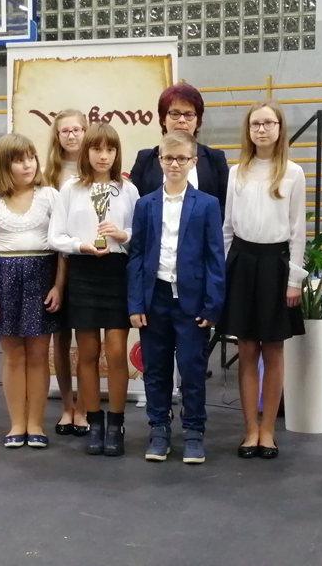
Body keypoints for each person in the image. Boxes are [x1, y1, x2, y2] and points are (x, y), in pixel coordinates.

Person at [127, 131, 225, 464]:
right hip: (154, 299)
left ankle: (194, 431)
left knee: (192, 367)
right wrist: (135, 303)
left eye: (182, 158)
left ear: (192, 162)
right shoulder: (145, 204)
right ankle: (159, 429)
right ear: (160, 160)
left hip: (192, 302)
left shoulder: (207, 204)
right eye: (169, 158)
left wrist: (212, 305)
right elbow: (137, 256)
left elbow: (215, 257)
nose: (174, 164)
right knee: (155, 368)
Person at [221, 100, 306, 460]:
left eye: (268, 123)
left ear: (279, 128)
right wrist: (225, 273)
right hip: (242, 262)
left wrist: (294, 279)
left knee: (273, 349)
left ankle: (268, 430)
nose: (262, 129)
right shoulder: (236, 171)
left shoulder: (293, 173)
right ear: (248, 130)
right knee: (246, 348)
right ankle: (250, 430)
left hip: (276, 265)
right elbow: (228, 227)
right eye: (256, 124)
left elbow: (298, 231)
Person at [48, 123, 138, 456]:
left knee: (115, 352)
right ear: (86, 152)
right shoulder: (71, 189)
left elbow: (140, 235)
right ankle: (94, 422)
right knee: (86, 352)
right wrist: (81, 246)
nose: (103, 156)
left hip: (116, 272)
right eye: (97, 149)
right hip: (83, 271)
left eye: (110, 149)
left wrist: (123, 235)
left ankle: (116, 424)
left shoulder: (127, 189)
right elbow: (55, 236)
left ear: (116, 153)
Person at [0, 133, 64, 449]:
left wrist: (58, 286)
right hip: (4, 280)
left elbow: (61, 250)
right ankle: (16, 424)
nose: (28, 165)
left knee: (38, 355)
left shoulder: (50, 197)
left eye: (30, 158)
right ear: (3, 165)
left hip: (42, 278)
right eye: (19, 160)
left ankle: (35, 423)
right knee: (13, 356)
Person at [44, 108, 89, 436]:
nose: (71, 136)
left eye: (77, 130)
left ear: (86, 132)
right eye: (65, 131)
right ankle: (67, 405)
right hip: (54, 260)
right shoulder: (48, 174)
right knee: (60, 337)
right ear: (57, 136)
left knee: (86, 339)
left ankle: (84, 407)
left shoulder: (97, 169)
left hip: (86, 260)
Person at [129, 83, 228, 220]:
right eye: (174, 114)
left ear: (198, 121)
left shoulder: (215, 158)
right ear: (163, 119)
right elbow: (134, 205)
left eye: (189, 114)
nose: (182, 120)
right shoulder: (145, 158)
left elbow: (224, 207)